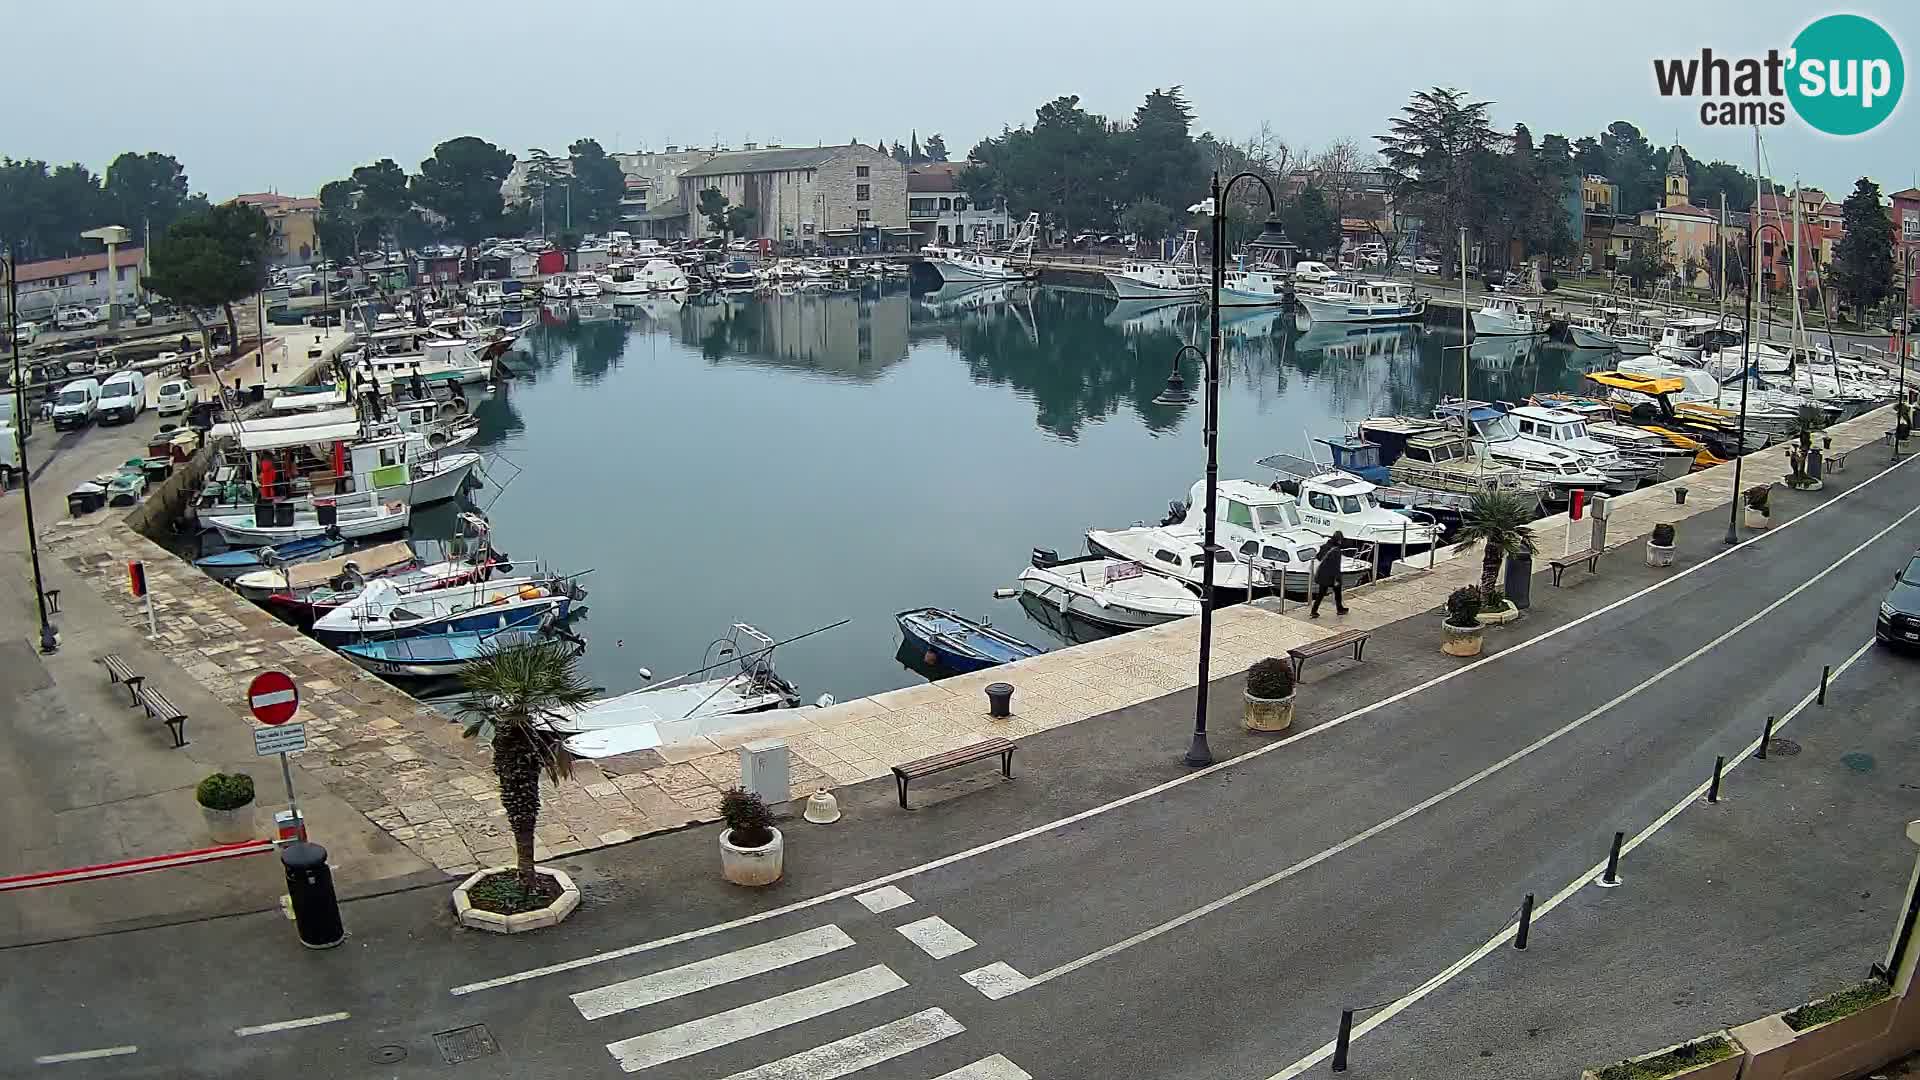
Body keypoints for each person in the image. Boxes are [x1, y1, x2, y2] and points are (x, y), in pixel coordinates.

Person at [1309, 530, 1349, 618]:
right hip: (1331, 576)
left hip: (1322, 574)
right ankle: (1340, 609)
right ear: (1339, 540)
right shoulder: (1337, 551)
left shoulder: (1325, 546)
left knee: (1321, 593)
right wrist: (1337, 579)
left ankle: (1314, 610)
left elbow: (1319, 557)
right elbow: (1336, 567)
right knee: (1337, 592)